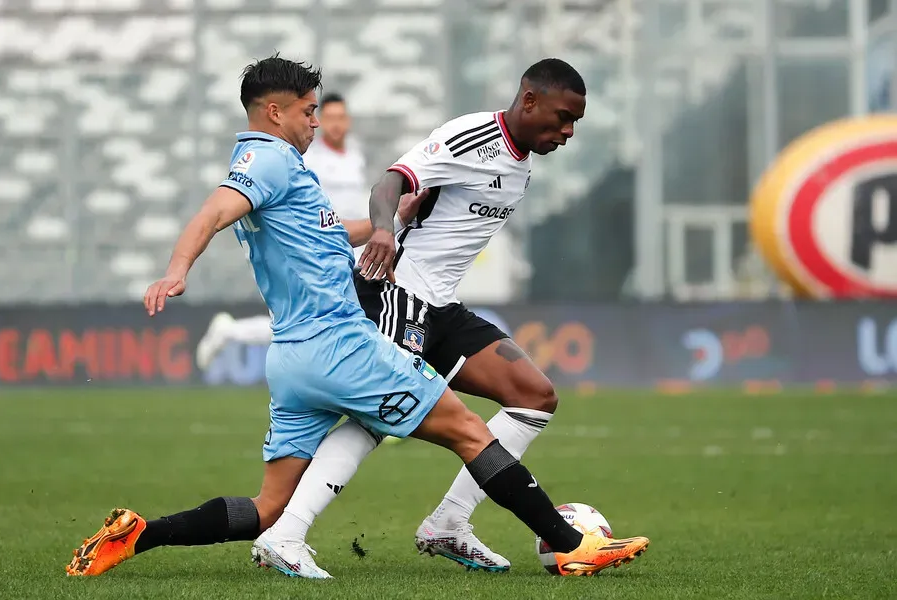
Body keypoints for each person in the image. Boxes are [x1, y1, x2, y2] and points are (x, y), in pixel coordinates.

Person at [65, 53, 648, 580]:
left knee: (268, 506)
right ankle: (572, 543)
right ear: (274, 112)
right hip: (345, 341)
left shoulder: (290, 175)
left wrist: (385, 225)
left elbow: (323, 231)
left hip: (294, 358)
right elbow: (217, 208)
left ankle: (139, 536)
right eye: (309, 111)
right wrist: (177, 267)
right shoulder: (264, 162)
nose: (318, 122)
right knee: (467, 430)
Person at [254, 58, 645, 574]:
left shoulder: (521, 163)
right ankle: (286, 534)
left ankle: (449, 523)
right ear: (528, 100)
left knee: (534, 396)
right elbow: (389, 182)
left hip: (441, 305)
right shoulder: (471, 136)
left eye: (576, 121)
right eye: (561, 116)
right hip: (395, 292)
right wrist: (382, 230)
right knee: (377, 420)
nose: (568, 131)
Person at [194, 92, 370, 369]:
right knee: (300, 320)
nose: (335, 124)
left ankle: (231, 331)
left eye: (341, 118)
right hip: (310, 246)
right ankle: (231, 332)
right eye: (330, 117)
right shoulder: (309, 156)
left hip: (346, 244)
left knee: (322, 319)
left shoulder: (356, 155)